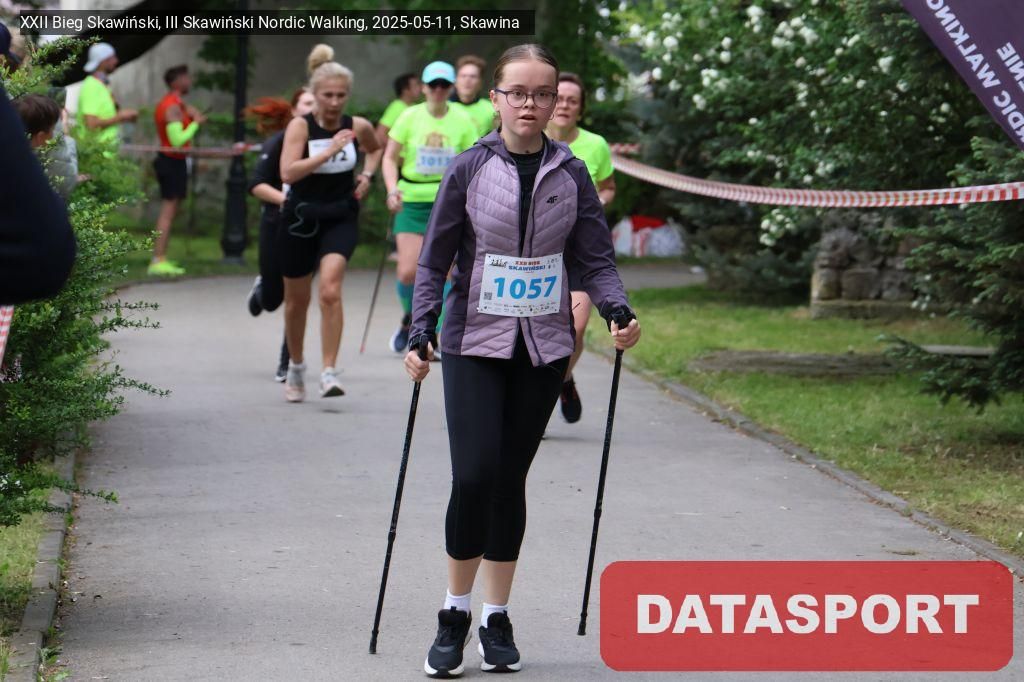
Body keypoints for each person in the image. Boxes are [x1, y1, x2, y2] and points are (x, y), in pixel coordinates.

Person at [404, 44, 641, 677]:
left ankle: (495, 617)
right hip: (473, 342)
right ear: (496, 99)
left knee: (509, 480)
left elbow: (595, 258)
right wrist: (421, 326)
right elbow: (434, 259)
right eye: (518, 93)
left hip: (542, 346)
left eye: (541, 93)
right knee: (473, 475)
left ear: (555, 100)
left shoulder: (573, 172)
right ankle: (454, 611)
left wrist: (617, 309)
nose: (530, 104)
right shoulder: (468, 168)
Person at [279, 44, 382, 402]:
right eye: (328, 95)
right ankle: (296, 366)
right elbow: (287, 172)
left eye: (341, 95)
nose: (335, 102)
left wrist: (367, 175)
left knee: (330, 290)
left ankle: (328, 371)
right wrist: (328, 151)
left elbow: (376, 148)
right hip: (300, 218)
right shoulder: (300, 126)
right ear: (315, 94)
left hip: (340, 216)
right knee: (297, 301)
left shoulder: (357, 126)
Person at [382, 61, 476, 354]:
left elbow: (472, 161)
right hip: (411, 199)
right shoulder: (409, 116)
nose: (438, 90)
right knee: (407, 272)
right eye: (433, 84)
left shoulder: (462, 119)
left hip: (447, 200)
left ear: (451, 88)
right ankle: (412, 318)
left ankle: (432, 333)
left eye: (443, 85)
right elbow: (389, 157)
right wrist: (392, 189)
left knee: (445, 272)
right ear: (423, 87)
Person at [545, 72, 617, 424]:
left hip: (580, 249)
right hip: (540, 249)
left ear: (581, 109)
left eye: (572, 101)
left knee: (574, 329)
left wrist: (596, 202)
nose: (565, 106)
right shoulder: (530, 140)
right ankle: (542, 395)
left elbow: (608, 186)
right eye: (559, 98)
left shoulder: (595, 144)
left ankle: (559, 379)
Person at [244, 89, 316, 382]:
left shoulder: (328, 145)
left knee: (298, 298)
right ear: (294, 110)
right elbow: (256, 184)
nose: (314, 108)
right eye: (308, 103)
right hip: (277, 224)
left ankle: (289, 362)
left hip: (311, 229)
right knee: (274, 299)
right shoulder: (279, 142)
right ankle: (263, 289)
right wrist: (287, 201)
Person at [1, 83, 76, 305]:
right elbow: (66, 181)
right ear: (42, 137)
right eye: (53, 131)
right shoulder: (35, 172)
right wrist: (67, 138)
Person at [149, 64, 207, 277]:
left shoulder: (178, 105)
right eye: (186, 77)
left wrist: (191, 116)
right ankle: (157, 259)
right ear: (176, 82)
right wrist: (196, 124)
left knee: (171, 212)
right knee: (167, 212)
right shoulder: (171, 106)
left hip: (176, 162)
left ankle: (161, 257)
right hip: (171, 161)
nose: (190, 81)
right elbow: (177, 140)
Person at [12, 93, 84, 201]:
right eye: (53, 129)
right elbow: (66, 184)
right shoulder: (40, 163)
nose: (54, 134)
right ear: (40, 137)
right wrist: (66, 135)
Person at [75, 42, 138, 147]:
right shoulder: (92, 86)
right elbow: (91, 124)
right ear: (103, 61)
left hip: (104, 152)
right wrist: (120, 117)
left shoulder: (101, 85)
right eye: (112, 58)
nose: (116, 61)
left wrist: (124, 115)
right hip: (96, 153)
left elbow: (106, 116)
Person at [450, 55, 495, 138]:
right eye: (463, 76)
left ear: (480, 82)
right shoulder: (444, 108)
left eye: (473, 76)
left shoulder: (491, 110)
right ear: (455, 81)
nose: (467, 80)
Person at [375, 72, 421, 150]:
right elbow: (380, 134)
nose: (420, 88)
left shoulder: (415, 107)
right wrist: (396, 151)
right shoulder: (397, 107)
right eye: (416, 85)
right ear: (405, 90)